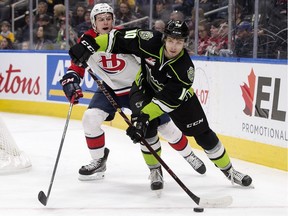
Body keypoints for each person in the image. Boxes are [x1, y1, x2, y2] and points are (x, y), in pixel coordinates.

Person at [68, 19, 253, 188]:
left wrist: (142, 116)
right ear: (164, 38)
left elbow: (166, 101)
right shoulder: (149, 40)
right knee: (146, 132)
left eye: (179, 42)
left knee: (204, 135)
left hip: (178, 100)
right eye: (171, 40)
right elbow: (116, 38)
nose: (174, 46)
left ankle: (229, 171)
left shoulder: (185, 69)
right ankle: (155, 170)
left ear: (185, 43)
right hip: (144, 89)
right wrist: (88, 45)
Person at [60, 3, 206, 192]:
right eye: (101, 19)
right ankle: (98, 161)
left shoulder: (123, 37)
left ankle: (188, 155)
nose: (106, 22)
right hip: (110, 89)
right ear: (93, 22)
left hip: (137, 88)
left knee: (166, 128)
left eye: (108, 18)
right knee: (90, 119)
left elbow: (148, 60)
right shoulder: (86, 41)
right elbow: (77, 65)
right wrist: (71, 79)